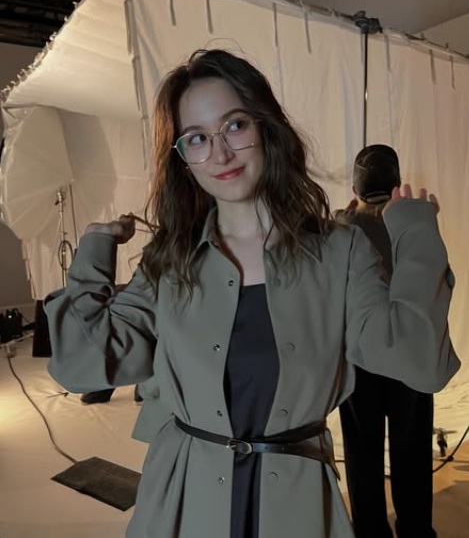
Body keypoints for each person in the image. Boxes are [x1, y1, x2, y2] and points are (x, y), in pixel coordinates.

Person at [44, 49, 459, 538]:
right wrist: (94, 252)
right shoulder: (170, 260)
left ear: (267, 126)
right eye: (197, 138)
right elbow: (83, 366)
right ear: (183, 158)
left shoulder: (340, 251)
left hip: (296, 507)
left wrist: (415, 236)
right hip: (183, 503)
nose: (219, 154)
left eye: (235, 126)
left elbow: (421, 364)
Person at [336, 145, 437, 538]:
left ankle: (370, 530)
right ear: (397, 183)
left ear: (355, 189)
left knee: (362, 452)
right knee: (412, 449)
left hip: (361, 356)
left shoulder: (339, 231)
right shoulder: (414, 223)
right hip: (410, 355)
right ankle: (415, 529)